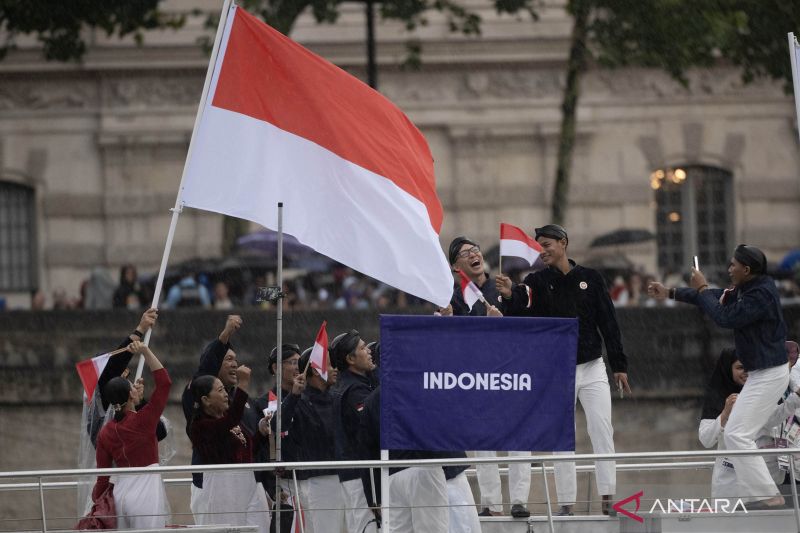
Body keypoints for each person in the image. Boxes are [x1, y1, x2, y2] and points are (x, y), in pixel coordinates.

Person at [497, 224, 629, 516]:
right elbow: (522, 303)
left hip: (593, 366)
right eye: (539, 245)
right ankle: (566, 502)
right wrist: (509, 295)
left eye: (546, 244)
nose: (542, 250)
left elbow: (608, 322)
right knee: (561, 438)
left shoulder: (591, 279)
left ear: (563, 243)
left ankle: (608, 496)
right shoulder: (538, 281)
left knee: (601, 430)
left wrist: (619, 365)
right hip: (557, 371)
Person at [648, 244, 789, 508]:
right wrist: (671, 292)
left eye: (733, 265)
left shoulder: (761, 295)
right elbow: (716, 297)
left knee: (737, 435)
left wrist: (701, 287)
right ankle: (766, 495)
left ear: (746, 270)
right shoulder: (748, 288)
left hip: (770, 373)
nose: (729, 269)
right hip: (762, 371)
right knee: (737, 434)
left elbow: (723, 317)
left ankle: (770, 496)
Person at [440, 237, 530, 518]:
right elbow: (451, 343)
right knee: (483, 443)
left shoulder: (503, 286)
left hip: (509, 373)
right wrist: (449, 321)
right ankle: (490, 503)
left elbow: (526, 329)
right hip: (476, 377)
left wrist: (504, 319)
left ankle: (519, 501)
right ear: (457, 267)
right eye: (465, 253)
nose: (473, 254)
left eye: (475, 249)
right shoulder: (453, 299)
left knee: (519, 440)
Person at [181, 315, 266, 520]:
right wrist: (224, 336)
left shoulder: (242, 400)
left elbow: (249, 444)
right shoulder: (196, 397)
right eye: (228, 359)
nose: (234, 365)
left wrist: (262, 432)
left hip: (247, 484)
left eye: (236, 360)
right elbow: (229, 421)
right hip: (214, 487)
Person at [92, 341, 171, 529]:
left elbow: (102, 477)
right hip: (146, 492)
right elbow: (165, 383)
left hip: (120, 494)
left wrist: (97, 503)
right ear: (130, 394)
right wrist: (145, 350)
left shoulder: (105, 432)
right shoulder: (145, 420)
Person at [189, 365, 271, 533]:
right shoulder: (201, 427)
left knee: (261, 528)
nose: (226, 394)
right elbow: (231, 421)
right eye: (220, 391)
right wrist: (242, 384)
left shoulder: (228, 418)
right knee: (230, 529)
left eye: (225, 390)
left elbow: (248, 450)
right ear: (206, 400)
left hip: (248, 480)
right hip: (223, 486)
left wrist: (261, 432)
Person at [359, 386, 450, 533]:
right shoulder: (420, 387)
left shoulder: (371, 400)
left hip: (391, 475)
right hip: (424, 467)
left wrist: (373, 496)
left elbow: (366, 450)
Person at [278, 347, 345, 533]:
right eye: (330, 365)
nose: (335, 369)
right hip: (319, 480)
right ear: (315, 370)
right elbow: (278, 426)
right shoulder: (299, 401)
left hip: (346, 476)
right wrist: (293, 396)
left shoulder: (338, 398)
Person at [330, 330, 378, 533]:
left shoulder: (350, 385)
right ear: (350, 358)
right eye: (362, 348)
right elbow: (373, 427)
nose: (369, 351)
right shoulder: (355, 391)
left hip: (355, 474)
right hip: (360, 476)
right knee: (368, 527)